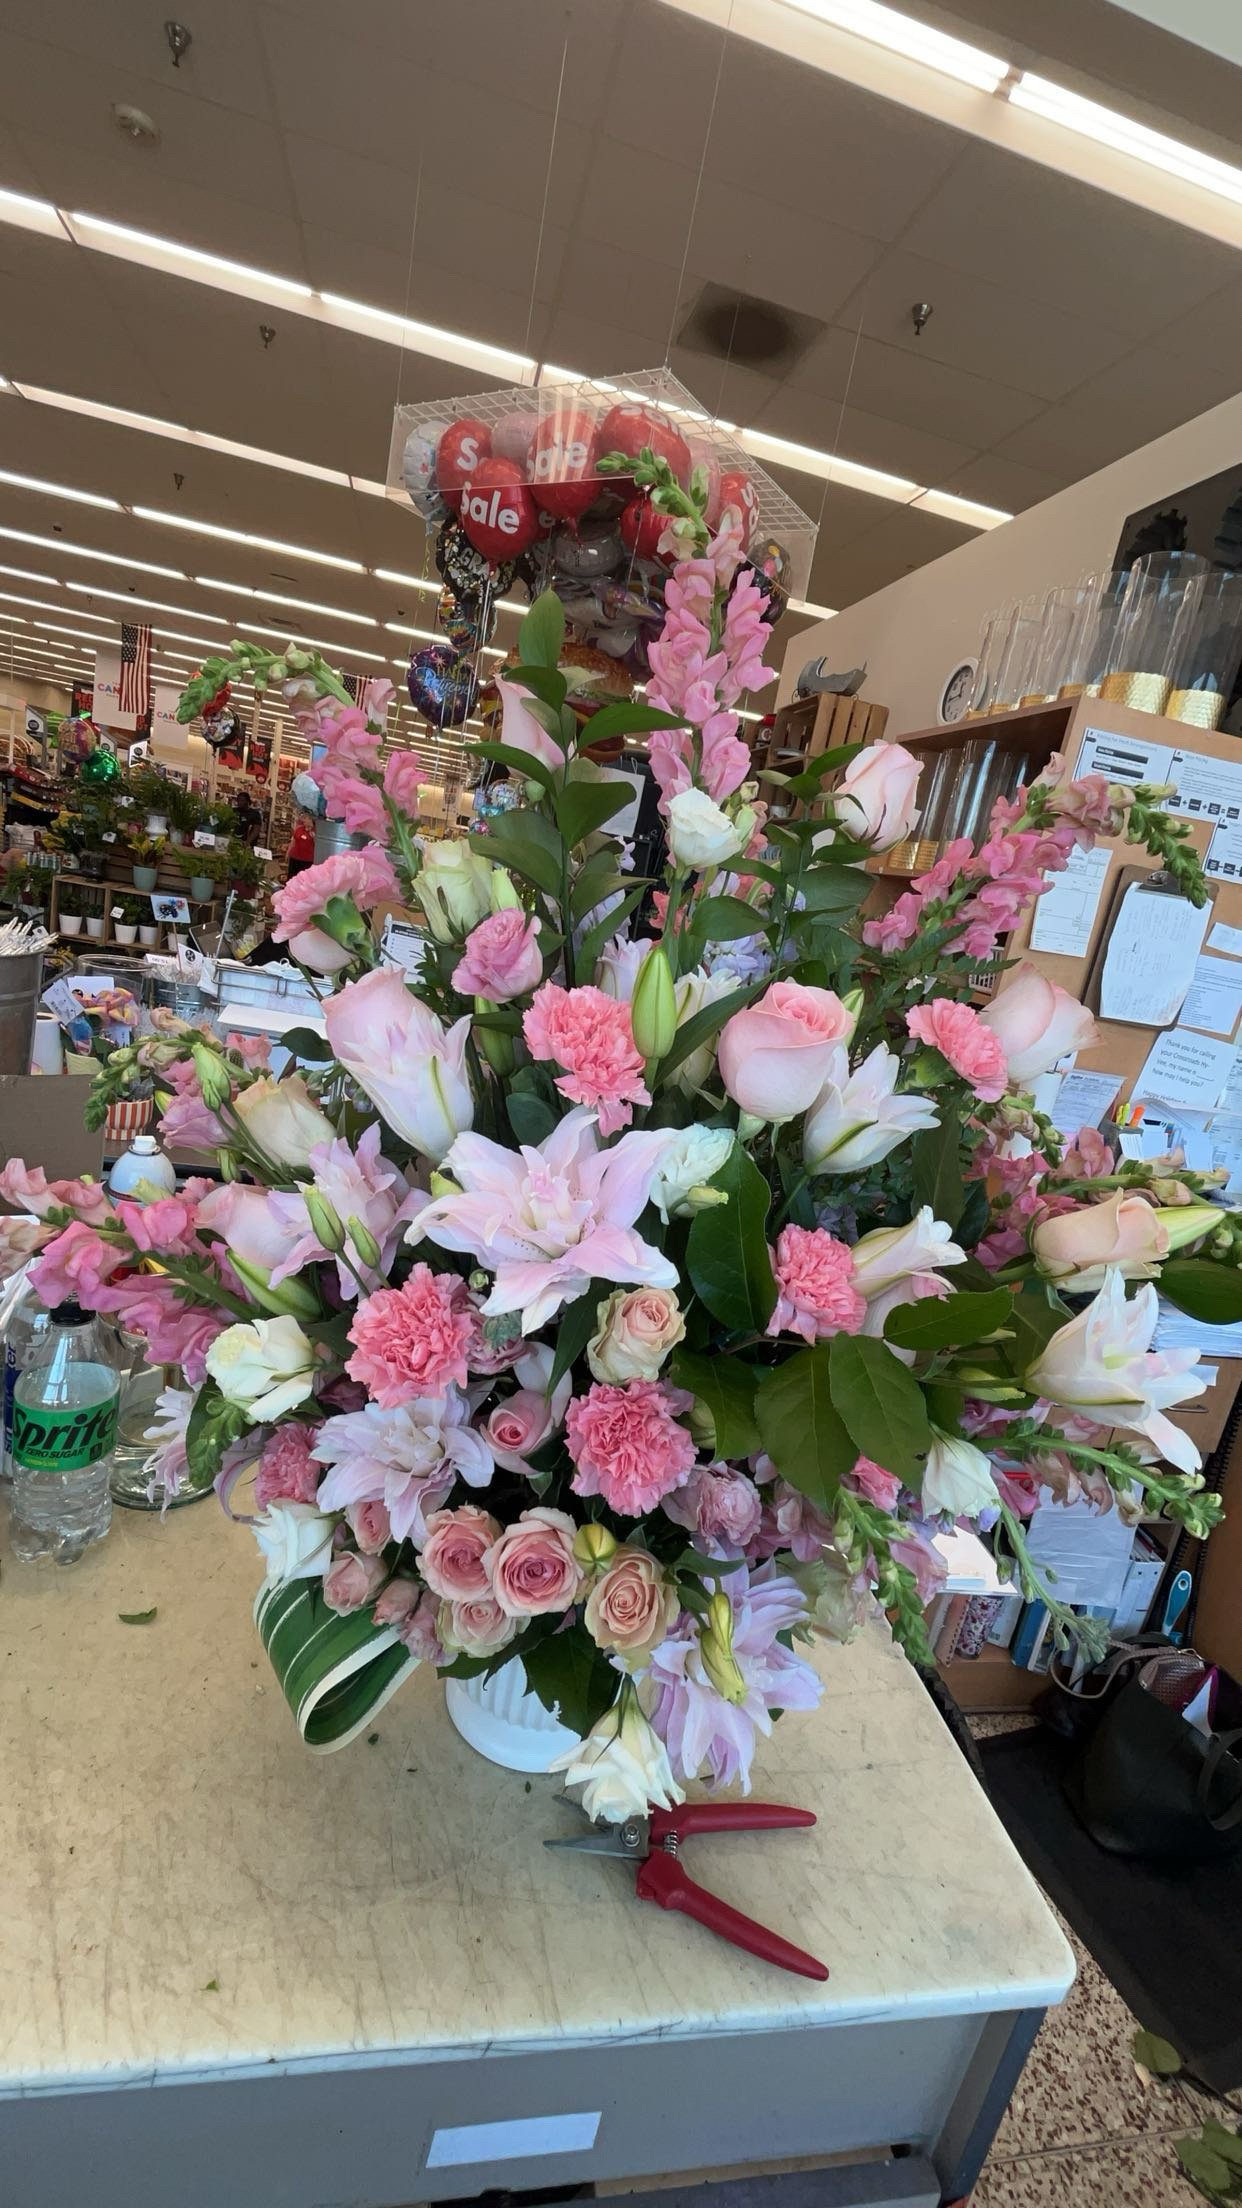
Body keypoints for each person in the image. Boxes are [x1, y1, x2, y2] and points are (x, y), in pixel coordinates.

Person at [285, 809, 315, 879]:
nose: (303, 820)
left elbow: (319, 847)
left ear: (311, 819)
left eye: (305, 818)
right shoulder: (299, 829)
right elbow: (293, 841)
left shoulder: (316, 831)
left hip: (307, 861)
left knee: (302, 880)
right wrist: (288, 853)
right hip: (294, 858)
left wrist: (314, 838)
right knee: (291, 878)